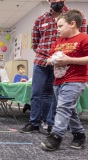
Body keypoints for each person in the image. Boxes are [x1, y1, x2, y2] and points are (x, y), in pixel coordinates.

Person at [20, 0, 87, 134]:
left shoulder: (75, 16)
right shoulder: (40, 19)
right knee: (36, 93)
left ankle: (51, 123)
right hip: (42, 60)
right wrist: (48, 56)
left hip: (64, 63)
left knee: (52, 95)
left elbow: (81, 37)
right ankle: (34, 122)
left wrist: (64, 58)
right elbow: (35, 42)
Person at [41, 9, 88, 151]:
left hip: (76, 80)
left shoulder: (84, 39)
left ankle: (56, 136)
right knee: (69, 109)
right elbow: (49, 58)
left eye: (60, 26)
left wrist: (69, 59)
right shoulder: (58, 42)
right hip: (59, 81)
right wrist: (52, 60)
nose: (57, 29)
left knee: (62, 107)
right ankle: (79, 134)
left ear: (72, 24)